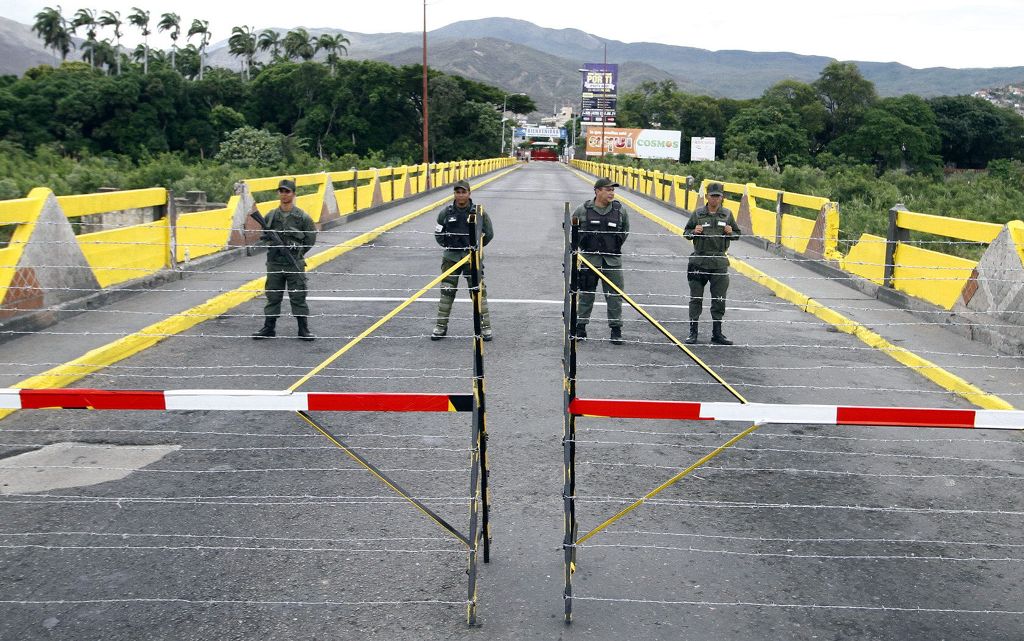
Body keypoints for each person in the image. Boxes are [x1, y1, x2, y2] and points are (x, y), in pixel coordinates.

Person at [251, 178, 318, 341]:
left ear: (294, 194)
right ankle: (269, 328)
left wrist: (297, 251)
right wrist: (274, 244)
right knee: (273, 295)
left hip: (294, 263)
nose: (284, 194)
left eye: (287, 191)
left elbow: (310, 239)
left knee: (298, 295)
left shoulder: (302, 217)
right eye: (281, 191)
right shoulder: (271, 215)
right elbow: (263, 236)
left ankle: (303, 329)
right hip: (275, 263)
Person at [431, 179, 494, 341]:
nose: (460, 195)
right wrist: (448, 245)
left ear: (469, 193)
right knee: (447, 292)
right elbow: (438, 233)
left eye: (463, 192)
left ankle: (485, 328)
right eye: (457, 192)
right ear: (454, 194)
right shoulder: (446, 212)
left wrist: (477, 248)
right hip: (451, 258)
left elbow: (489, 233)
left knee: (478, 292)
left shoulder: (478, 212)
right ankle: (440, 326)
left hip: (471, 259)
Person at [682, 182, 741, 345]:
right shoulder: (698, 213)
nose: (715, 199)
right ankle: (693, 332)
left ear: (722, 197)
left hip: (719, 262)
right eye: (712, 195)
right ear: (707, 196)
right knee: (696, 299)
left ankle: (717, 333)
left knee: (719, 299)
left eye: (718, 196)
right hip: (699, 261)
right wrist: (694, 232)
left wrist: (731, 232)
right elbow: (686, 232)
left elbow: (737, 234)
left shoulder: (727, 214)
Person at [573, 177, 630, 345]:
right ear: (597, 191)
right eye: (608, 189)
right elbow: (572, 229)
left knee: (614, 296)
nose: (611, 193)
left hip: (612, 261)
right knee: (586, 294)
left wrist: (611, 246)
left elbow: (624, 231)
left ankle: (616, 329)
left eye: (613, 190)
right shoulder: (583, 210)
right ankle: (581, 327)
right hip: (590, 259)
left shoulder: (620, 211)